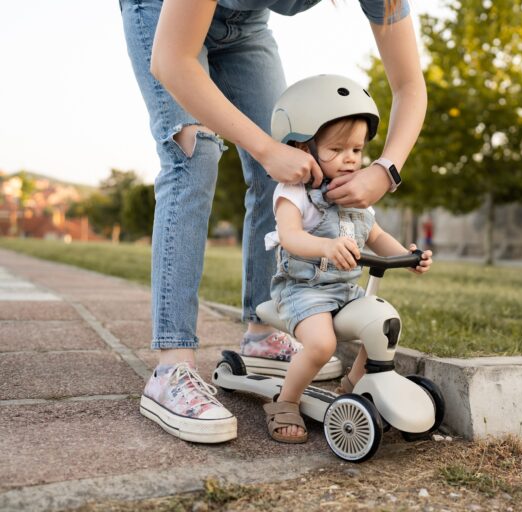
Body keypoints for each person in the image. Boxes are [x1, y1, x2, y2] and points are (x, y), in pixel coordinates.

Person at [119, 0, 427, 443]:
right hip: (161, 13)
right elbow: (172, 60)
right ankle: (172, 367)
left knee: (287, 172)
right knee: (193, 154)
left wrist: (386, 169)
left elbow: (409, 84)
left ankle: (262, 335)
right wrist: (265, 150)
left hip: (246, 27)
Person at [261, 75, 433, 443]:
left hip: (343, 291)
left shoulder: (357, 197)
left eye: (356, 149)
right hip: (301, 291)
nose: (350, 159)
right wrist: (324, 247)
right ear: (304, 148)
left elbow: (377, 235)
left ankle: (351, 388)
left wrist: (408, 256)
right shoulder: (295, 193)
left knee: (383, 323)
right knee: (322, 345)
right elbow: (289, 236)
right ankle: (285, 402)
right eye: (336, 149)